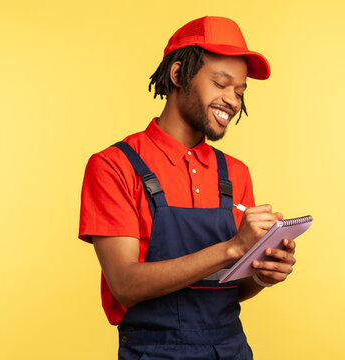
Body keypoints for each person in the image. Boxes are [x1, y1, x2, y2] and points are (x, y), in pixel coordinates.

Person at [79, 16, 297, 360]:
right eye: (221, 84)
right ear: (178, 74)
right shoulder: (114, 166)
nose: (233, 100)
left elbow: (228, 288)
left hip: (231, 349)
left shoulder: (235, 173)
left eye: (239, 91)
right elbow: (125, 285)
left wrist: (262, 275)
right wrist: (232, 248)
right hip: (153, 353)